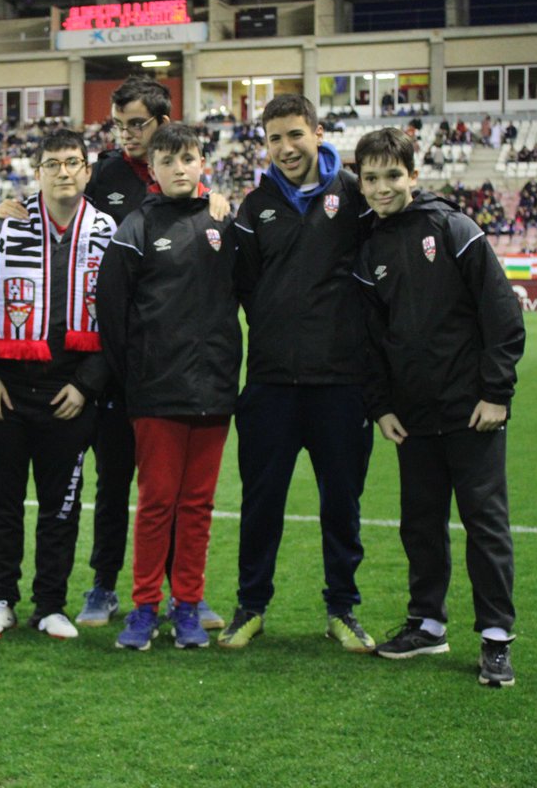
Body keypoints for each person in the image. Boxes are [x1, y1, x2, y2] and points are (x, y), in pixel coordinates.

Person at [0, 75, 229, 631]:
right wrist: (15, 208)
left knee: (172, 489)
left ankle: (181, 593)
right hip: (113, 362)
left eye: (138, 125)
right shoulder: (106, 174)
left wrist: (217, 200)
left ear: (166, 125)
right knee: (115, 478)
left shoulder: (190, 179)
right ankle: (103, 584)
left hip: (172, 367)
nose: (126, 136)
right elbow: (61, 204)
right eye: (118, 125)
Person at [353, 127, 525, 687]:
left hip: (471, 410)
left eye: (392, 176)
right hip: (413, 416)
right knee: (421, 524)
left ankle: (496, 638)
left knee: (485, 524)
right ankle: (428, 623)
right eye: (371, 178)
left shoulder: (452, 227)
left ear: (413, 175)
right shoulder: (369, 248)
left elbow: (502, 314)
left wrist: (496, 392)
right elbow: (371, 340)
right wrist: (381, 406)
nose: (381, 188)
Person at [223, 94, 376, 654]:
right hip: (270, 382)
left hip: (341, 382)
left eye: (294, 135)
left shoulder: (356, 197)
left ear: (317, 132)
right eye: (274, 139)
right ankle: (251, 606)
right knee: (261, 501)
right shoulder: (253, 206)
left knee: (343, 502)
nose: (285, 148)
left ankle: (343, 609)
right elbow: (241, 286)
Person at [97, 123, 242, 651]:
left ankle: (187, 606)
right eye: (168, 161)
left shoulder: (226, 221)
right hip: (155, 391)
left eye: (189, 158)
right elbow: (111, 310)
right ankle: (142, 608)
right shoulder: (135, 226)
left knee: (198, 505)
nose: (180, 168)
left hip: (214, 389)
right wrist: (134, 373)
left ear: (203, 162)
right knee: (157, 502)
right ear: (152, 170)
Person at [0, 128, 113, 641]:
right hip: (7, 394)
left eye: (73, 162)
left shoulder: (109, 231)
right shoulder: (5, 227)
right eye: (53, 163)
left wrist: (88, 384)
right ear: (39, 172)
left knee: (62, 509)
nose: (64, 171)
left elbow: (123, 317)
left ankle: (51, 604)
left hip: (71, 397)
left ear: (87, 171)